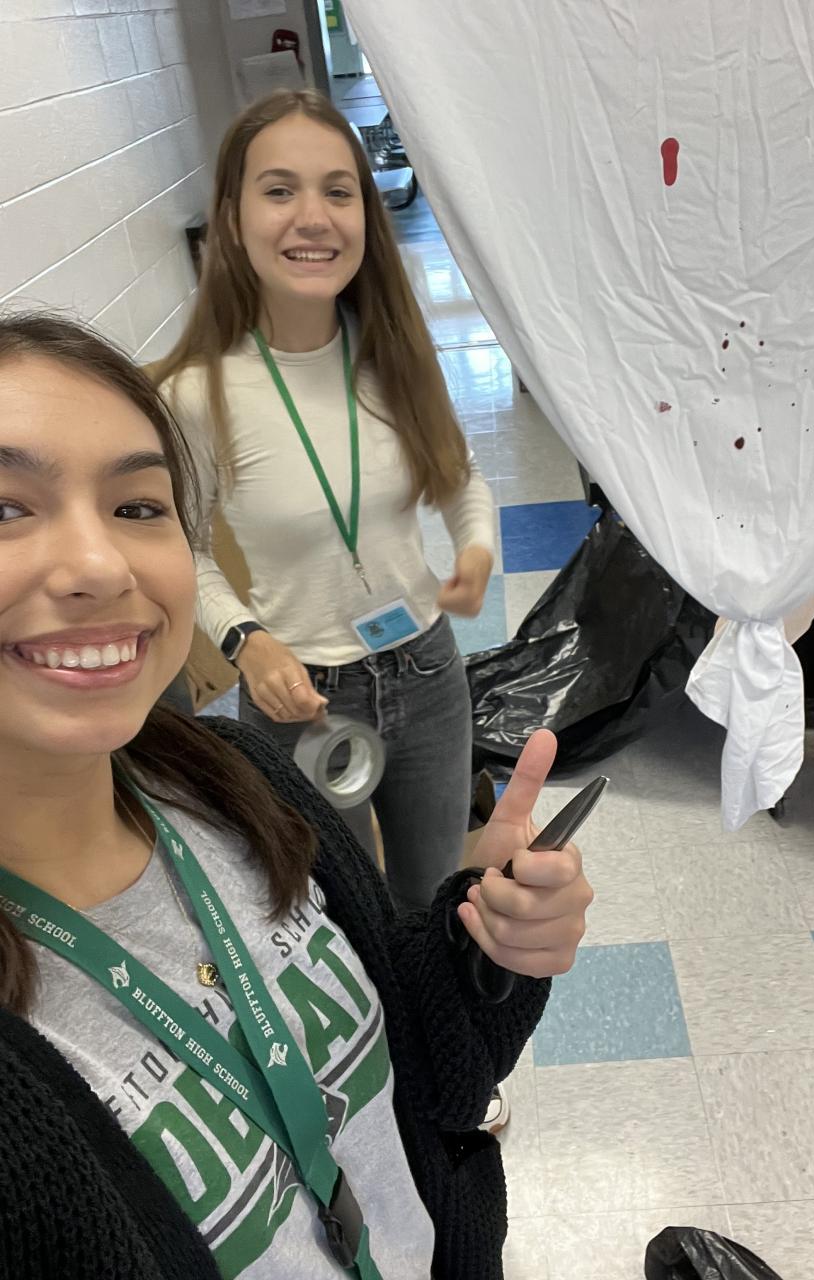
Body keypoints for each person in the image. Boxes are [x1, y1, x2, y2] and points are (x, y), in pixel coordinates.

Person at [0, 313, 592, 1280]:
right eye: (5, 509)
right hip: (309, 681)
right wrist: (246, 638)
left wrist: (486, 947)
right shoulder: (207, 389)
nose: (102, 565)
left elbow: (422, 1066)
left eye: (138, 506)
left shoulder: (231, 784)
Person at [153, 89, 496, 912]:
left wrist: (476, 549)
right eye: (279, 190)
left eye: (338, 191)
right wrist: (245, 641)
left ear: (365, 216)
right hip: (298, 697)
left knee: (430, 899)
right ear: (232, 219)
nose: (314, 217)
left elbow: (460, 476)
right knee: (336, 911)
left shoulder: (395, 357)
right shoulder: (196, 393)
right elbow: (179, 548)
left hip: (426, 670)